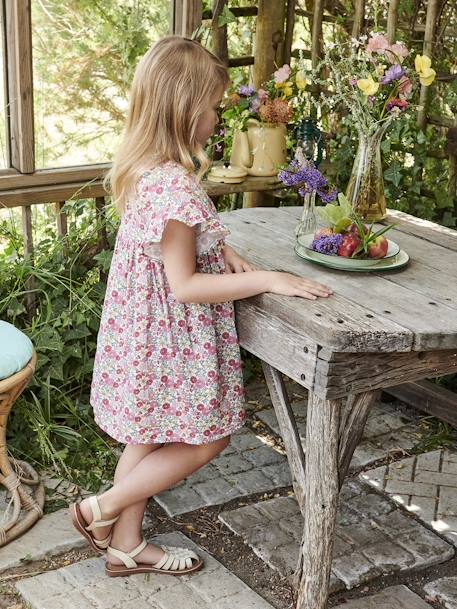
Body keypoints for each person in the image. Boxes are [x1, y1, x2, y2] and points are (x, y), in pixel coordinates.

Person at [71, 35, 333, 578]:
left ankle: (124, 545)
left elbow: (174, 244)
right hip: (171, 339)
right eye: (214, 106)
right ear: (187, 109)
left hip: (143, 334)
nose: (218, 116)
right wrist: (269, 278)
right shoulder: (174, 187)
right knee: (208, 437)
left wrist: (224, 247)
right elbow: (185, 285)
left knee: (144, 436)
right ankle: (103, 507)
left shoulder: (149, 169)